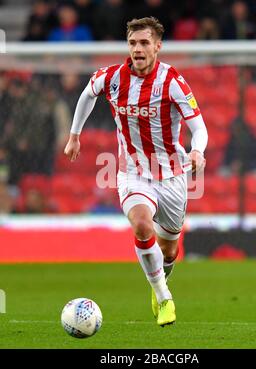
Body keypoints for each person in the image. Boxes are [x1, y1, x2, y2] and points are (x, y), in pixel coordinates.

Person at [64, 17, 207, 327]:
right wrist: (75, 134)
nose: (137, 49)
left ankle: (160, 279)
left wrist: (198, 150)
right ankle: (164, 296)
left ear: (157, 46)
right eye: (132, 43)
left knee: (169, 250)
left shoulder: (173, 82)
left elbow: (199, 127)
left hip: (171, 176)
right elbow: (88, 93)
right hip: (132, 172)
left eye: (144, 43)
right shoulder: (112, 77)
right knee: (142, 226)